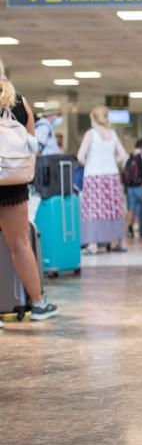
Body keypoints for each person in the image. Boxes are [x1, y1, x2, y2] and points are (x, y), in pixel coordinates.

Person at [0, 63, 58, 323]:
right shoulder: (21, 104)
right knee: (21, 244)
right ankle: (38, 304)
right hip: (14, 183)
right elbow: (32, 146)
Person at [77, 105, 128, 254]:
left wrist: (90, 163)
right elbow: (123, 154)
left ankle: (92, 244)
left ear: (93, 118)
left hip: (94, 176)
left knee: (94, 209)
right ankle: (119, 241)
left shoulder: (91, 134)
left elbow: (80, 156)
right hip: (111, 176)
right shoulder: (112, 133)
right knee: (113, 209)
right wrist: (111, 161)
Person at [123, 139, 142, 239]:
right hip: (141, 186)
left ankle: (129, 229)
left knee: (131, 208)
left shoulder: (127, 157)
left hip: (130, 187)